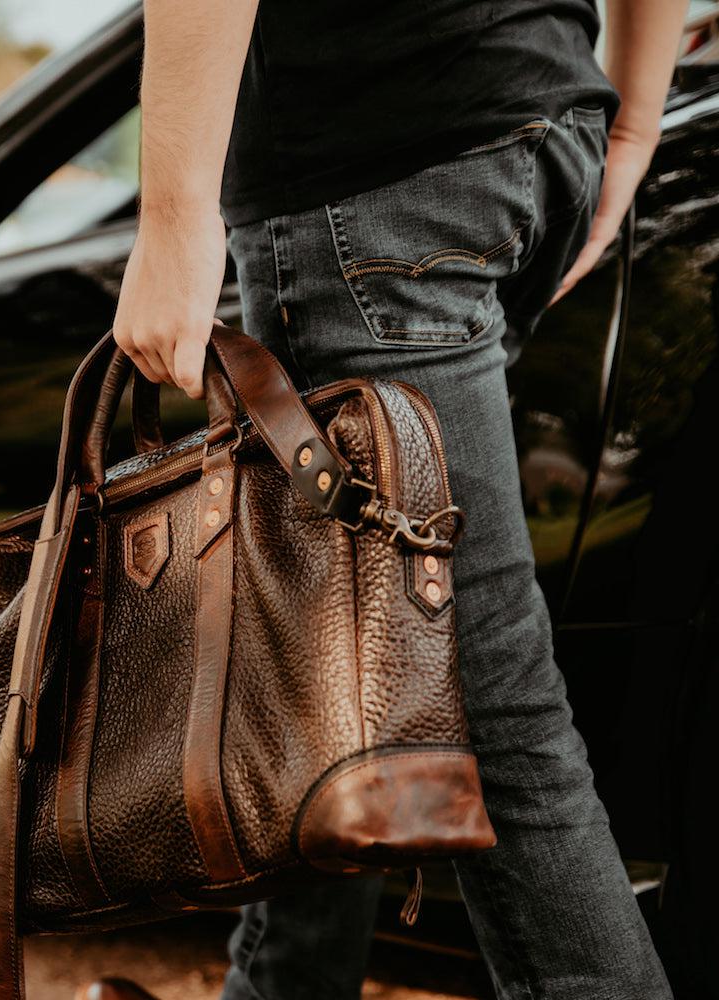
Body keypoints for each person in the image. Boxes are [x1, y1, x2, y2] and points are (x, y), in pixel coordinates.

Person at [83, 1, 689, 997]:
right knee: (341, 664)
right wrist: (628, 122)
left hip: (377, 173)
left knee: (486, 717)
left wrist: (173, 214)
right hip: (535, 132)